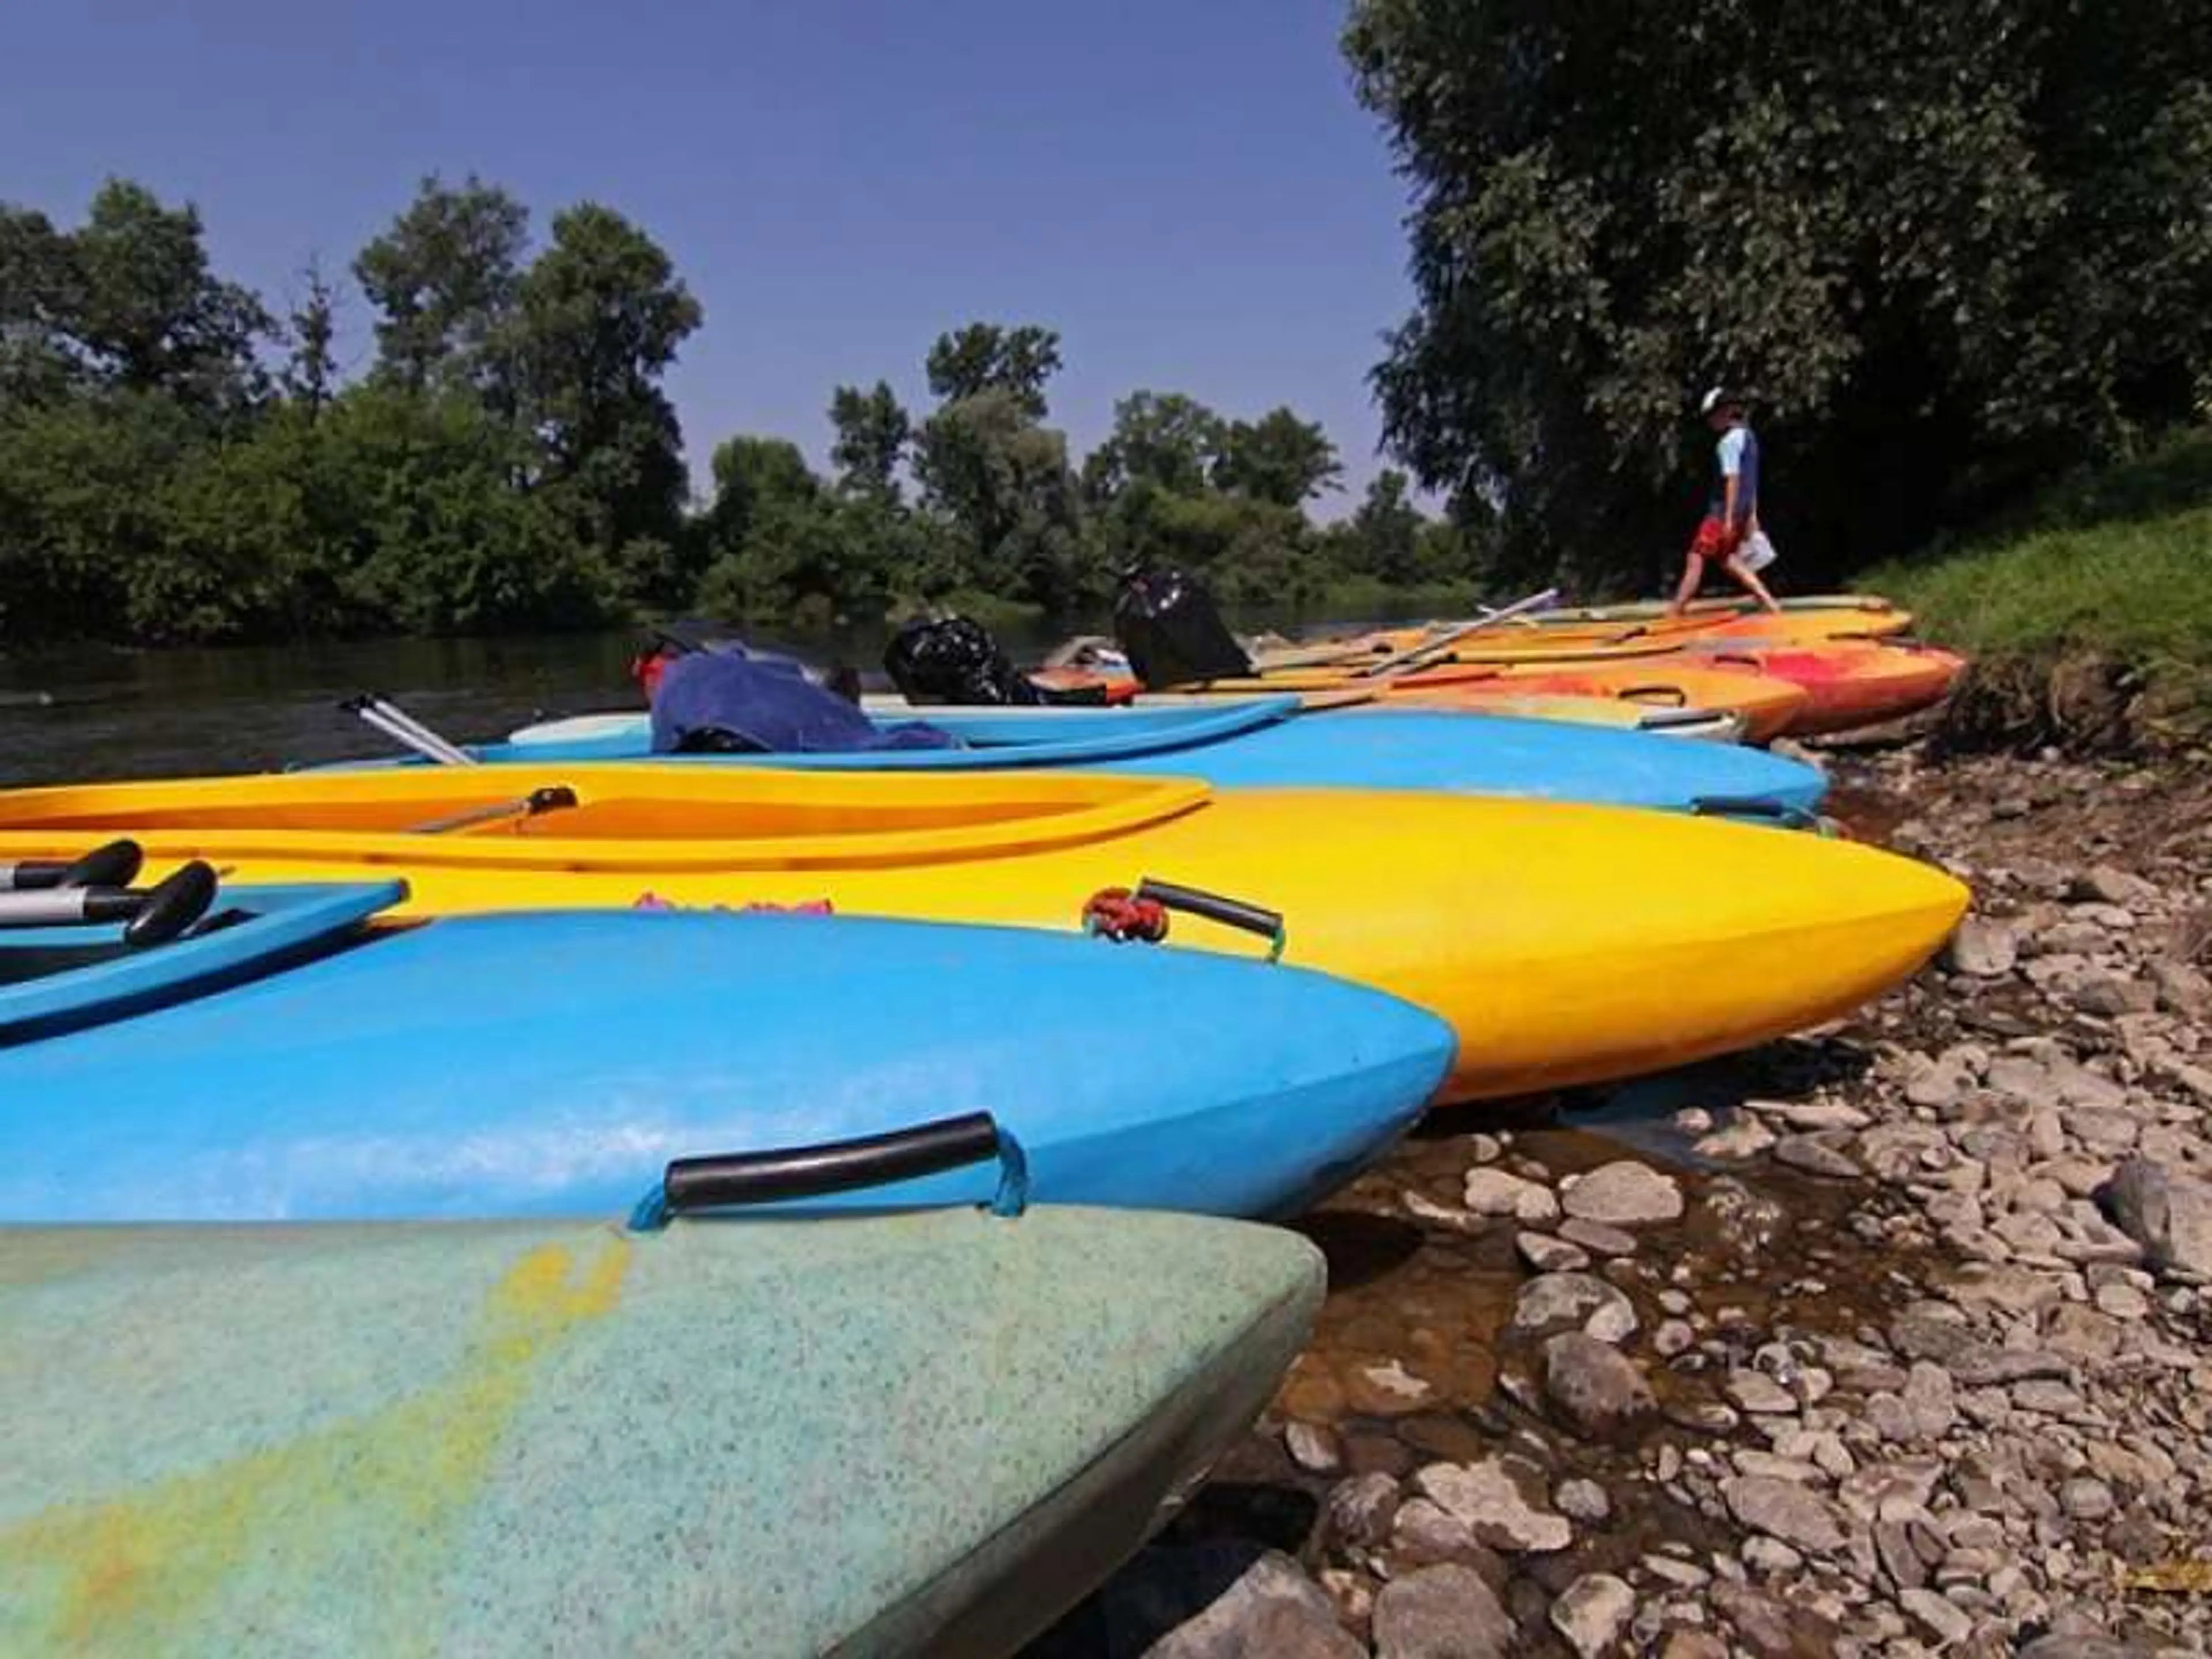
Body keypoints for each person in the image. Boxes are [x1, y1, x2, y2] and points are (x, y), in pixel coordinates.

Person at [1669, 385, 1782, 616]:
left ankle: (1675, 611)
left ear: (1725, 412)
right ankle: (1770, 603)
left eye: (1713, 415)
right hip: (1742, 511)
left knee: (1696, 556)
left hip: (1721, 513)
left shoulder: (1727, 443)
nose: (1710, 421)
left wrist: (1728, 519)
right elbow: (1751, 482)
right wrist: (1751, 514)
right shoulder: (1749, 438)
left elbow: (1733, 480)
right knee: (1727, 558)